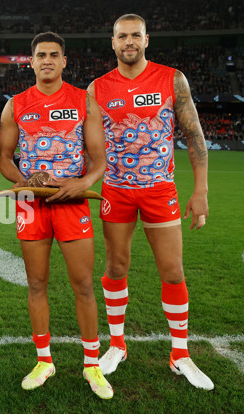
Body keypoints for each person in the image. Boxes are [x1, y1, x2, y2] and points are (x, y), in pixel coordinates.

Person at [87, 14, 213, 390]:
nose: (129, 41)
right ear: (112, 42)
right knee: (116, 265)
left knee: (172, 270)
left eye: (135, 35)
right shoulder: (96, 88)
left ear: (146, 39)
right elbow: (89, 145)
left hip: (160, 189)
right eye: (122, 36)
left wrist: (201, 190)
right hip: (116, 190)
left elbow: (194, 135)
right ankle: (117, 345)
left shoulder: (172, 78)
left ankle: (180, 354)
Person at [0, 32, 113, 399]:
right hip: (32, 204)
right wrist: (25, 180)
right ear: (31, 62)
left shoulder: (84, 101)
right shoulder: (15, 104)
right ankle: (44, 360)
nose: (47, 60)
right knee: (36, 284)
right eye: (40, 55)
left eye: (54, 55)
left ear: (64, 61)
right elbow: (4, 157)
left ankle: (92, 365)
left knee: (83, 284)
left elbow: (99, 160)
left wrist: (83, 182)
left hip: (72, 203)